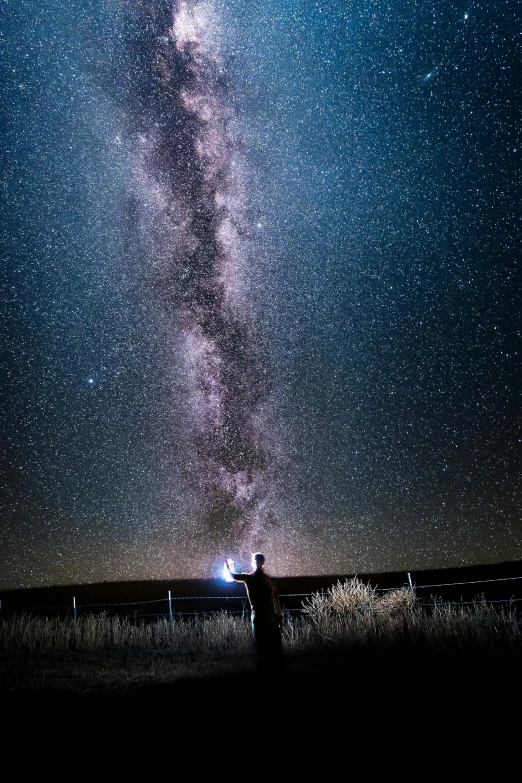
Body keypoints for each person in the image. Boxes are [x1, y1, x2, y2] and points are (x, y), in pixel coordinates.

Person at [224, 553, 284, 672]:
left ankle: (265, 671)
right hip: (271, 615)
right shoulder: (270, 580)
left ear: (253, 562)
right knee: (276, 647)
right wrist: (279, 617)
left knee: (262, 647)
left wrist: (228, 565)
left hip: (258, 615)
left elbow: (231, 576)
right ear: (263, 563)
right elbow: (276, 599)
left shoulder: (249, 578)